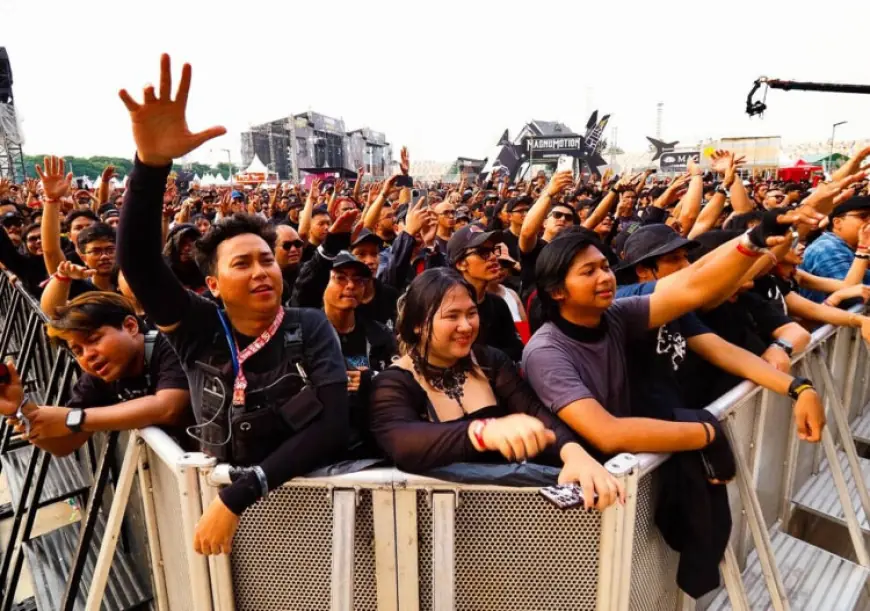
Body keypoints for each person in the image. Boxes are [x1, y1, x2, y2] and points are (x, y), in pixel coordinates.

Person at [116, 54, 350, 556]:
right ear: (213, 284)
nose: (261, 270)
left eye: (266, 260)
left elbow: (333, 426)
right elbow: (137, 263)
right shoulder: (197, 327)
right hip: (224, 529)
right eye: (241, 264)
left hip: (301, 514)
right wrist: (151, 165)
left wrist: (242, 494)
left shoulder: (308, 327)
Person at [522, 216, 827, 458]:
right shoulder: (546, 352)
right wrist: (708, 433)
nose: (605, 277)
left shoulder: (616, 314)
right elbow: (608, 433)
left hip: (630, 470)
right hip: (582, 487)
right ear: (557, 291)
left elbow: (694, 290)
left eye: (605, 267)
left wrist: (798, 387)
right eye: (588, 272)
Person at [368, 268, 624, 510]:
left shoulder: (491, 361)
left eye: (471, 313)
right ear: (418, 324)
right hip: (433, 521)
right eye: (452, 316)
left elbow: (536, 413)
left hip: (504, 515)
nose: (466, 326)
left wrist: (574, 453)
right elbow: (402, 442)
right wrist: (482, 432)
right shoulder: (392, 383)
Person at [0, 292, 190, 457]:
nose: (88, 355)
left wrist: (73, 418)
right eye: (78, 351)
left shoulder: (172, 345)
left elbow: (168, 407)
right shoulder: (97, 377)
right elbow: (65, 445)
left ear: (131, 326)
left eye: (94, 339)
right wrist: (20, 411)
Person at [447, 225, 525, 361]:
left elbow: (518, 346)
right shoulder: (446, 307)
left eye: (494, 250)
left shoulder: (500, 304)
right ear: (461, 264)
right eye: (483, 252)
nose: (494, 257)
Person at [40, 222, 118, 317]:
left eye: (110, 250)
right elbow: (52, 311)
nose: (105, 256)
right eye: (96, 251)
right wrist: (62, 276)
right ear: (83, 258)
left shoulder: (130, 283)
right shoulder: (78, 289)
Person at [801, 196, 870, 302]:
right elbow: (853, 297)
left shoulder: (849, 246)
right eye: (863, 216)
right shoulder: (826, 249)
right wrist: (863, 249)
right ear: (837, 223)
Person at [274, 223, 303, 301]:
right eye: (287, 245)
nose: (293, 249)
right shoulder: (269, 280)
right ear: (272, 248)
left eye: (297, 244)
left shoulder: (308, 272)